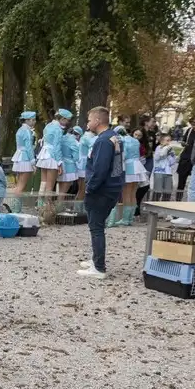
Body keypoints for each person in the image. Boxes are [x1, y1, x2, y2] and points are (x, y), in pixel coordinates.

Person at [78, 106, 124, 280]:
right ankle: (95, 259)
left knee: (96, 228)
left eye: (89, 119)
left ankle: (98, 267)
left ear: (97, 121)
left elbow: (100, 168)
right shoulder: (114, 137)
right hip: (112, 187)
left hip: (102, 189)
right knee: (98, 226)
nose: (88, 123)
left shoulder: (103, 141)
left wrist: (90, 188)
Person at [37, 108, 72, 195]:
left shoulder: (48, 125)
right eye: (67, 120)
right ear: (62, 119)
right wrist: (59, 163)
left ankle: (40, 206)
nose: (68, 123)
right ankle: (47, 207)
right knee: (49, 187)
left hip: (43, 155)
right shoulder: (58, 129)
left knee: (43, 184)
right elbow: (57, 147)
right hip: (52, 157)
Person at [176, 117, 195, 200]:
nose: (193, 126)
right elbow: (184, 141)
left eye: (194, 124)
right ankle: (178, 201)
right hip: (185, 158)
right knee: (181, 183)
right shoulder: (189, 130)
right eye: (192, 124)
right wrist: (183, 143)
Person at [12, 111, 37, 193]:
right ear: (27, 120)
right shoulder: (27, 131)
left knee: (19, 185)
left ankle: (16, 205)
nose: (34, 122)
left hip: (19, 157)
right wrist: (33, 161)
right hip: (25, 158)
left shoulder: (20, 130)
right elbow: (29, 147)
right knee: (21, 187)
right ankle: (16, 205)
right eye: (32, 120)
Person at [152, 133, 176, 202]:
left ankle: (164, 207)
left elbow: (172, 162)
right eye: (167, 140)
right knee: (157, 191)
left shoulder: (171, 149)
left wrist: (171, 155)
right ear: (162, 141)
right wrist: (165, 150)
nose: (169, 142)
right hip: (159, 172)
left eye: (170, 141)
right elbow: (157, 158)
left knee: (167, 192)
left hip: (168, 172)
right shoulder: (158, 148)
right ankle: (154, 208)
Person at [59, 125, 80, 196]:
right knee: (63, 192)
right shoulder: (73, 141)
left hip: (60, 166)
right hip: (70, 167)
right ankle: (59, 206)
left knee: (59, 191)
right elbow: (76, 157)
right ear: (77, 135)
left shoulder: (61, 138)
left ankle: (56, 206)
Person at [76, 126, 96, 201]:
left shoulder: (86, 136)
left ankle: (78, 208)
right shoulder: (88, 137)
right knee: (83, 189)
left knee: (81, 189)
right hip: (84, 164)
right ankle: (79, 209)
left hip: (82, 163)